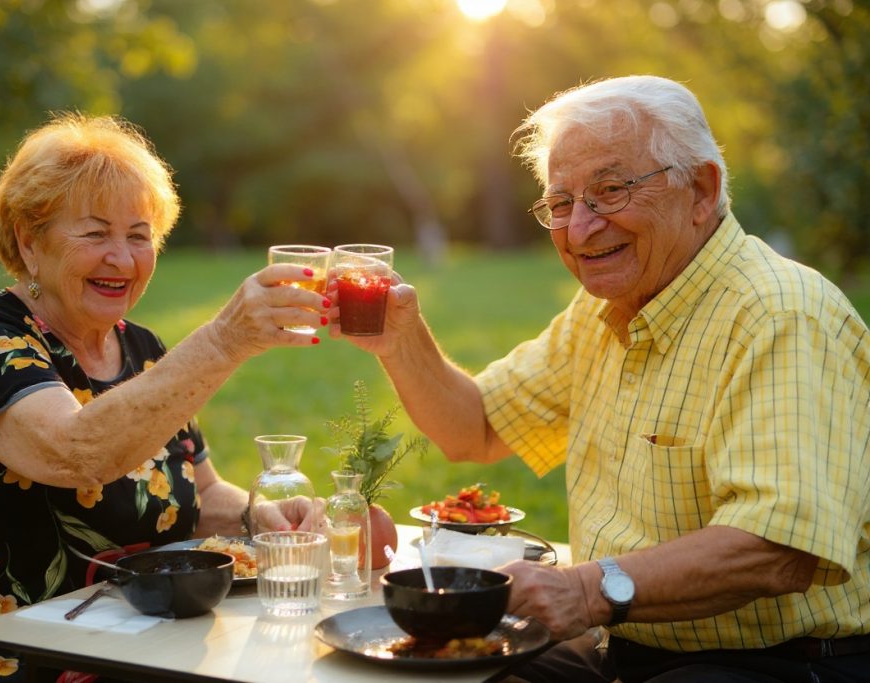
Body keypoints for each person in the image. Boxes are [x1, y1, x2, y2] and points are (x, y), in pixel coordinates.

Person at [331, 75, 870, 682]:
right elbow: (474, 428)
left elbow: (776, 549)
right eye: (561, 204)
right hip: (626, 649)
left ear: (700, 189)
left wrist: (585, 592)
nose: (580, 229)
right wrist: (400, 339)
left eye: (610, 191)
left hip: (778, 665)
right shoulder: (603, 311)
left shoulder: (781, 314)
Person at [0, 113, 327, 682]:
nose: (123, 259)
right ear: (31, 244)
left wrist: (260, 516)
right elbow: (76, 455)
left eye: (138, 235)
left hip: (120, 643)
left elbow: (199, 490)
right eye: (95, 233)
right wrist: (224, 339)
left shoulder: (145, 351)